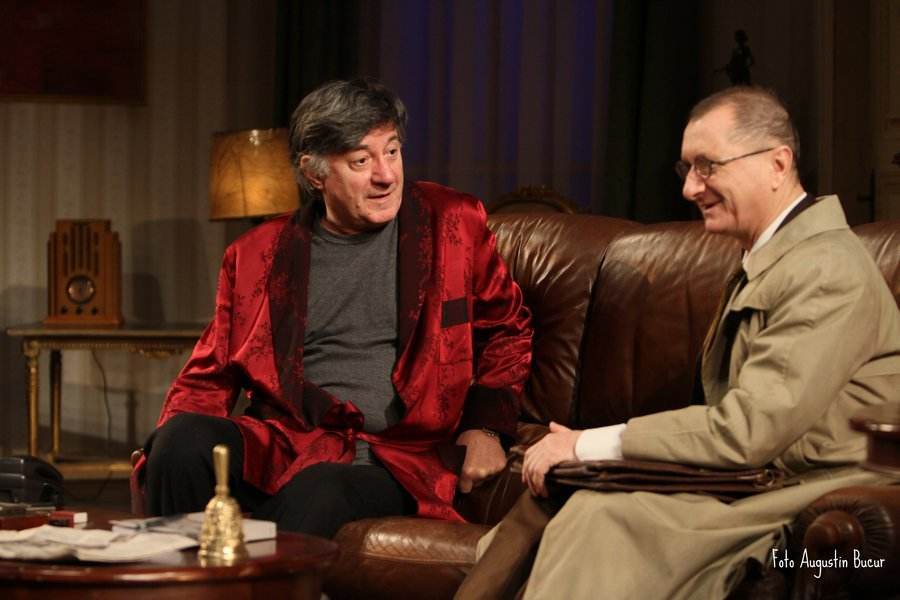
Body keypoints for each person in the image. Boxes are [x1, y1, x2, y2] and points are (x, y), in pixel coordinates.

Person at [456, 86, 900, 599]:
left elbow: (748, 431)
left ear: (778, 164)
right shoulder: (776, 260)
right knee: (561, 496)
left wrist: (584, 442)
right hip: (758, 476)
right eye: (686, 168)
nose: (691, 188)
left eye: (708, 166)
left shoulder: (823, 269)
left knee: (602, 517)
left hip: (812, 486)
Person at [132, 79, 533, 538]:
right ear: (315, 174)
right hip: (287, 443)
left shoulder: (453, 222)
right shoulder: (256, 255)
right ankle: (179, 575)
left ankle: (258, 574)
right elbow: (210, 372)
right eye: (361, 161)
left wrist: (487, 427)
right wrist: (160, 446)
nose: (386, 175)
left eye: (392, 152)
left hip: (397, 456)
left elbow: (507, 330)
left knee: (319, 490)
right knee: (180, 442)